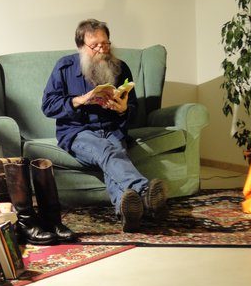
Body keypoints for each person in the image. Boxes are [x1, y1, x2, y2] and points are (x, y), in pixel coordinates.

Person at [41, 18, 167, 232]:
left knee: (114, 157)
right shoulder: (64, 67)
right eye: (95, 46)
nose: (102, 50)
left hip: (112, 128)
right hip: (78, 131)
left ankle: (128, 214)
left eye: (105, 44)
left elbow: (133, 107)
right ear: (81, 46)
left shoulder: (120, 67)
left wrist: (124, 108)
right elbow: (48, 106)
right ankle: (145, 191)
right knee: (108, 152)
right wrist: (80, 100)